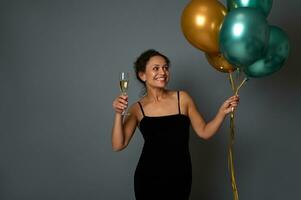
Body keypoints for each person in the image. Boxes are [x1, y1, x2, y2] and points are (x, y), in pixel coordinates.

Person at [111, 49, 239, 200]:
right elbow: (118, 145)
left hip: (180, 176)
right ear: (142, 75)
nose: (163, 72)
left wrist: (221, 113)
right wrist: (118, 113)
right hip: (148, 178)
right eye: (156, 68)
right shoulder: (137, 108)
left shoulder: (182, 98)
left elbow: (204, 132)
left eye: (165, 67)